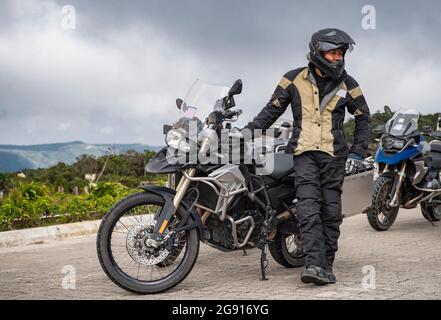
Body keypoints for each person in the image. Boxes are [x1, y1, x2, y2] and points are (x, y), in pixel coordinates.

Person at [243, 28, 371, 285]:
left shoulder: (349, 84)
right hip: (303, 155)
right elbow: (271, 111)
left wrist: (358, 151)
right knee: (309, 209)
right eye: (332, 53)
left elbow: (363, 118)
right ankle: (314, 265)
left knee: (331, 213)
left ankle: (327, 265)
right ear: (318, 52)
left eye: (340, 53)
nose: (337, 58)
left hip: (334, 157)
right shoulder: (292, 79)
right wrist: (246, 133)